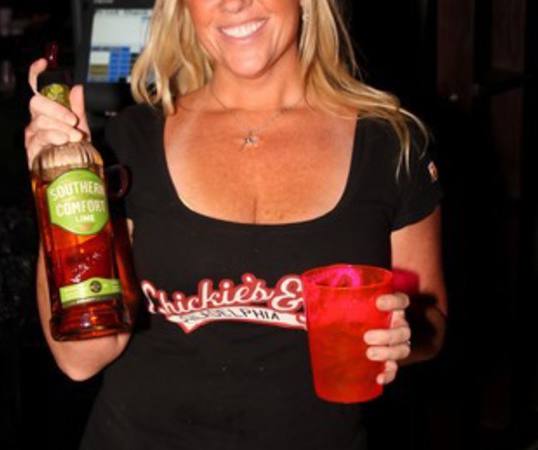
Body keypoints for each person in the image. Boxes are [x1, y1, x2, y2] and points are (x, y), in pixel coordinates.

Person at [24, 0, 448, 449]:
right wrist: (63, 184)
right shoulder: (130, 141)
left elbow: (433, 323)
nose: (233, 3)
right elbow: (81, 359)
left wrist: (402, 334)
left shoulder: (390, 145)